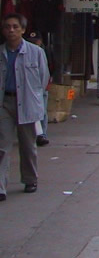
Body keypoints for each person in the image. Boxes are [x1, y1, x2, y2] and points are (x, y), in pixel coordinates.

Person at [0, 13, 50, 199]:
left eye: (15, 26)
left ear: (22, 29)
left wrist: (35, 99)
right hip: (4, 103)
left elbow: (43, 79)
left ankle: (30, 179)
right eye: (7, 26)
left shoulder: (36, 52)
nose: (11, 30)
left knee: (28, 145)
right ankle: (1, 187)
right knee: (2, 147)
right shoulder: (1, 52)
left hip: (27, 103)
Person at [25, 33, 50, 147]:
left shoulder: (44, 51)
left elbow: (51, 65)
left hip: (41, 85)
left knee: (42, 110)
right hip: (28, 86)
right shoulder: (25, 52)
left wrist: (45, 84)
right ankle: (33, 133)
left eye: (36, 41)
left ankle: (42, 135)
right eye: (32, 41)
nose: (34, 43)